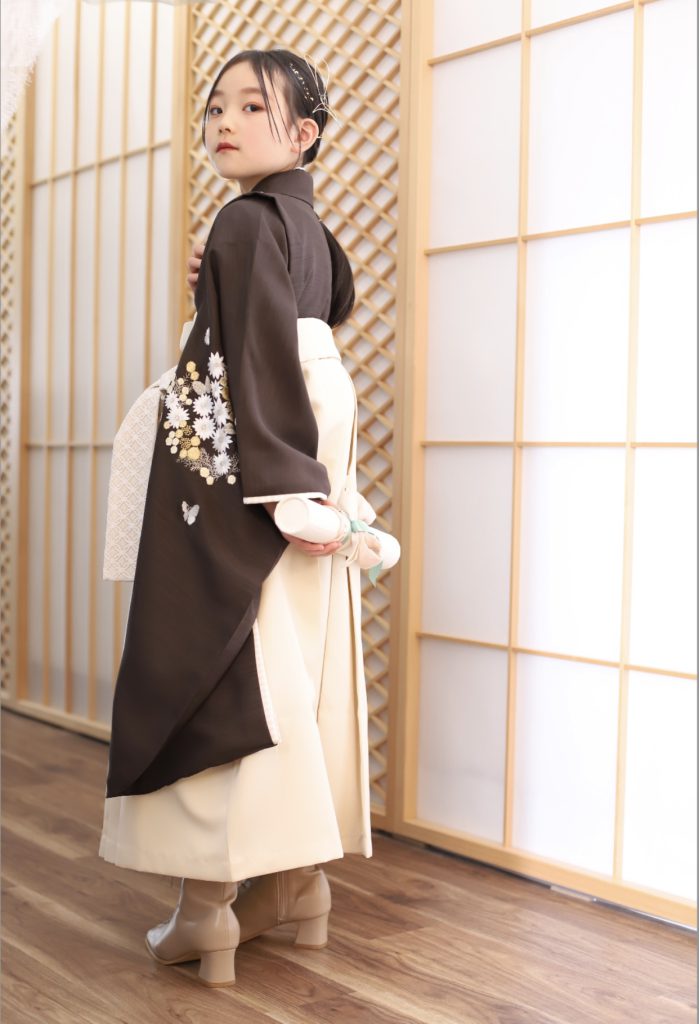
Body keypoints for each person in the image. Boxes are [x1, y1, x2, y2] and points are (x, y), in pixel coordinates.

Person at [97, 48, 373, 988]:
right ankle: (298, 887)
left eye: (254, 107)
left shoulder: (245, 221)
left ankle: (207, 905)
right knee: (295, 652)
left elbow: (249, 359)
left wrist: (278, 484)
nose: (225, 121)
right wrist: (213, 284)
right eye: (217, 106)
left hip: (257, 459)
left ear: (304, 133)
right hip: (303, 443)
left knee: (222, 656)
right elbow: (315, 323)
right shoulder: (307, 230)